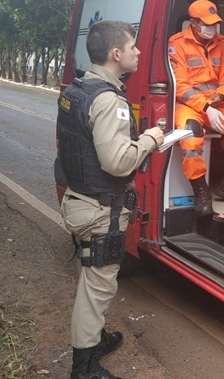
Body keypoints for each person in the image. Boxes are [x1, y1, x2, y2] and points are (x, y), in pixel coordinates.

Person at [57, 20, 164, 379]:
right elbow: (117, 162)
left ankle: (96, 338)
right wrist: (150, 138)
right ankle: (83, 366)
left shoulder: (79, 88)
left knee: (91, 279)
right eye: (132, 47)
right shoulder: (108, 99)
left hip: (79, 200)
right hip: (100, 209)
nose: (137, 52)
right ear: (116, 54)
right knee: (97, 287)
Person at [168, 0, 224, 218]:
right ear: (194, 23)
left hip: (218, 105)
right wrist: (205, 106)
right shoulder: (176, 44)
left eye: (214, 23)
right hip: (190, 106)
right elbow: (181, 87)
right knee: (191, 135)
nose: (212, 28)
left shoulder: (220, 42)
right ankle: (201, 192)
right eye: (206, 23)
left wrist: (219, 96)